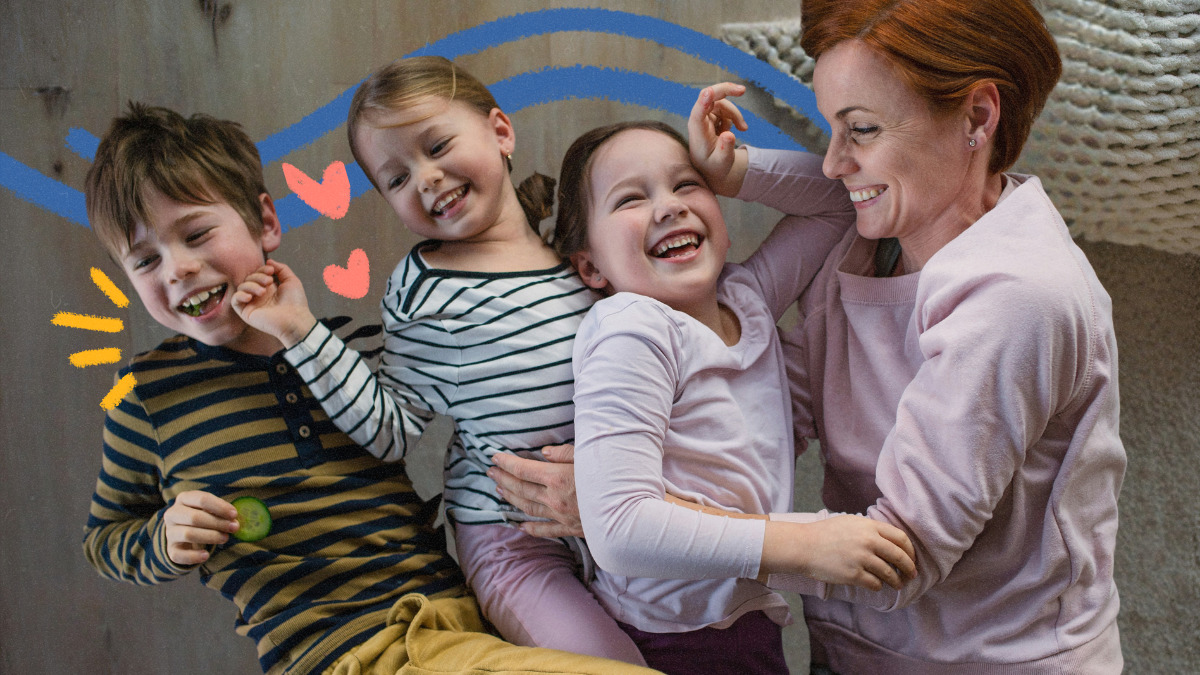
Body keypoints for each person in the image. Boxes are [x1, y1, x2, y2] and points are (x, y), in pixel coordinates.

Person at [496, 1, 1127, 672]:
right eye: (832, 128)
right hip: (847, 646)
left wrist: (640, 522)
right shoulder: (867, 242)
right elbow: (768, 407)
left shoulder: (1019, 297)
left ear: (977, 117)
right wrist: (731, 171)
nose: (831, 163)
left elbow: (897, 557)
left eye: (861, 129)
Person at [80, 102, 659, 675]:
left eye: (196, 234)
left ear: (265, 223)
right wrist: (161, 538)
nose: (176, 268)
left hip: (454, 622)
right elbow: (104, 538)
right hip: (338, 650)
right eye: (145, 261)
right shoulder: (150, 396)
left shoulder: (351, 347)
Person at [230, 55, 649, 666]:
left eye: (437, 145)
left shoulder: (578, 249)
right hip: (516, 543)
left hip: (617, 513)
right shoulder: (425, 290)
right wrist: (300, 330)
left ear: (500, 132)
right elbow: (390, 425)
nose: (425, 177)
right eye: (396, 178)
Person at [549, 113, 915, 675]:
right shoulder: (633, 327)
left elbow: (843, 198)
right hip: (669, 635)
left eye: (686, 183)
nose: (668, 206)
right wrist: (804, 545)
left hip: (741, 615)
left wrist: (735, 169)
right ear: (590, 266)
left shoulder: (747, 297)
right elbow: (619, 530)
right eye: (630, 200)